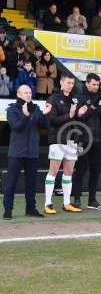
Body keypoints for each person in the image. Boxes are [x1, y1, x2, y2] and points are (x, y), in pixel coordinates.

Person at [3, 85, 52, 219]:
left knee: (31, 183)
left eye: (30, 92)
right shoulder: (12, 109)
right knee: (11, 183)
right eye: (25, 92)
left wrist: (45, 114)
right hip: (16, 153)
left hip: (32, 153)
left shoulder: (36, 109)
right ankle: (8, 210)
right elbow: (16, 127)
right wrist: (25, 116)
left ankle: (30, 209)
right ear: (18, 94)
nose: (28, 95)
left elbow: (45, 126)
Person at [44, 73, 85, 215]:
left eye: (72, 83)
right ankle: (47, 204)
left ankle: (66, 203)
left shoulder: (75, 99)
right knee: (53, 172)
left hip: (71, 140)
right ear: (61, 83)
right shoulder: (53, 98)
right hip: (57, 139)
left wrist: (80, 113)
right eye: (68, 82)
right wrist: (70, 115)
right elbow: (52, 120)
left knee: (68, 172)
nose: (70, 85)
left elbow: (77, 119)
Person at [72, 73, 101, 210]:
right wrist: (93, 108)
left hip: (98, 140)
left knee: (96, 170)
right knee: (80, 170)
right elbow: (77, 118)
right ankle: (76, 199)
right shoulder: (78, 98)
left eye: (97, 84)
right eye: (94, 84)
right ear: (87, 83)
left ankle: (92, 200)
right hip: (83, 139)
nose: (96, 87)